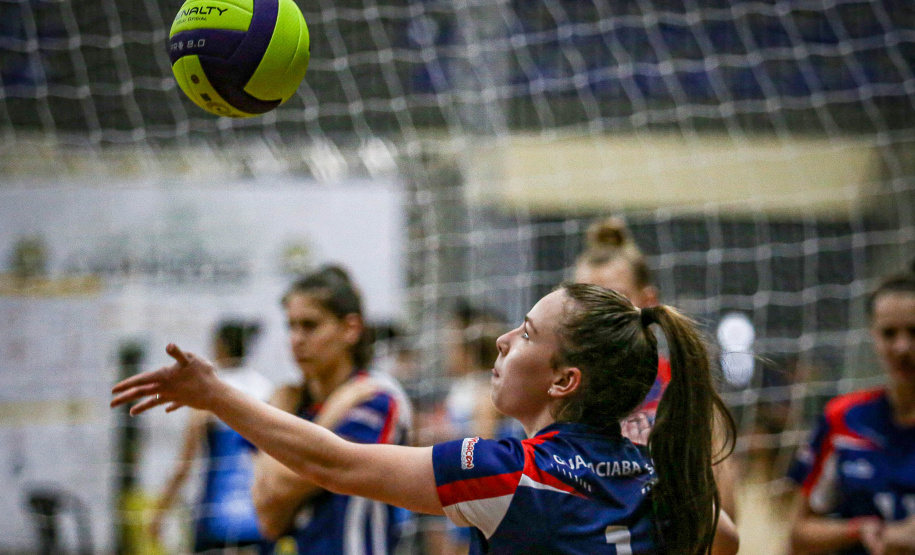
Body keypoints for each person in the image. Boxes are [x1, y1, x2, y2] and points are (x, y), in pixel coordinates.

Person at [113, 283, 740, 555]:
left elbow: (332, 462)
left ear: (563, 380)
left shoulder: (514, 475)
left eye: (524, 334)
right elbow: (729, 539)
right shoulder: (654, 477)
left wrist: (215, 395)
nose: (499, 340)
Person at [573, 216, 740, 522]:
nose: (596, 315)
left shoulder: (682, 388)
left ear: (647, 301)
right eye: (585, 300)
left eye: (613, 299)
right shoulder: (556, 387)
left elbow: (725, 512)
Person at [249, 265, 413, 554]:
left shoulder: (375, 398)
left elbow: (316, 470)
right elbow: (267, 517)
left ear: (350, 329)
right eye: (292, 326)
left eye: (310, 325)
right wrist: (329, 415)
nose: (297, 339)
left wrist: (291, 421)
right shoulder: (288, 404)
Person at [786, 271, 915, 555]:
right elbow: (799, 534)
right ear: (873, 334)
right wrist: (860, 530)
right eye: (889, 333)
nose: (902, 347)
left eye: (914, 332)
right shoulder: (843, 418)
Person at [147, 319, 273, 553]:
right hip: (260, 518)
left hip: (216, 518)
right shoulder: (267, 391)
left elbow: (184, 465)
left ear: (220, 347)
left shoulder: (209, 395)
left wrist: (160, 512)